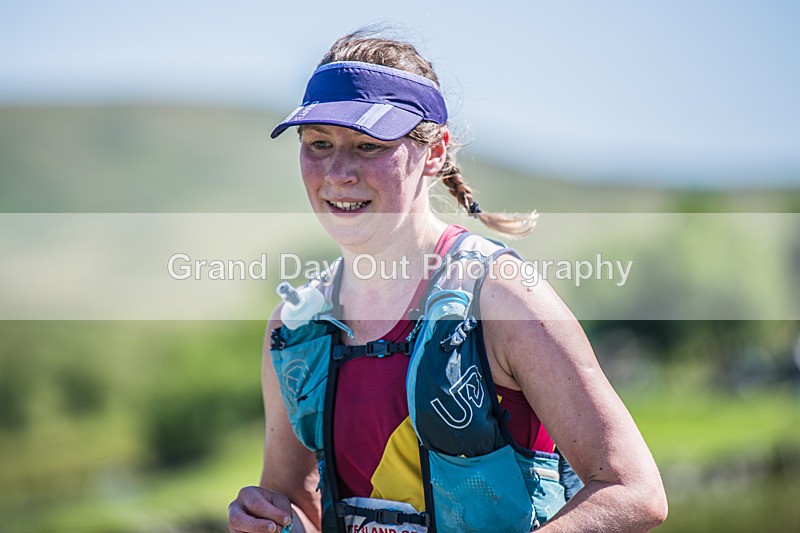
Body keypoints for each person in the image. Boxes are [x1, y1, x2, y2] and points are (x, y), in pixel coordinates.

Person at [229, 31, 667, 533]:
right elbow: (301, 507)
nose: (338, 172)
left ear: (434, 151)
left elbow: (633, 490)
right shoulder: (294, 328)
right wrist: (268, 520)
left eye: (369, 146)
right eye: (319, 144)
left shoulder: (502, 296)